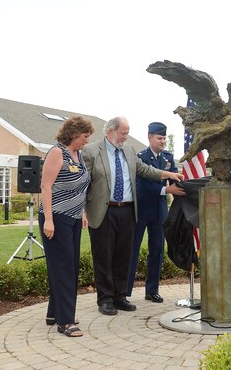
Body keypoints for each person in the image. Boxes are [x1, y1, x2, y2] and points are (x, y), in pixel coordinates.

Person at [82, 117, 184, 316]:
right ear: (110, 132)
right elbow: (84, 183)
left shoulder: (128, 151)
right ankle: (105, 299)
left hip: (127, 211)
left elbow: (145, 170)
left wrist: (168, 175)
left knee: (123, 255)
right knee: (104, 255)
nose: (126, 137)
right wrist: (82, 210)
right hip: (104, 210)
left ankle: (120, 296)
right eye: (124, 133)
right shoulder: (92, 151)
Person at [39, 116, 94, 337]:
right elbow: (46, 186)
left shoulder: (77, 155)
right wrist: (49, 220)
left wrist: (81, 212)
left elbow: (78, 189)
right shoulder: (56, 152)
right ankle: (65, 321)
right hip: (57, 218)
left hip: (72, 218)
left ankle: (54, 313)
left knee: (67, 265)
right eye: (84, 137)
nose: (86, 141)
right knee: (64, 268)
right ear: (73, 134)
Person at [127, 122, 186, 303]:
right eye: (159, 138)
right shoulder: (141, 157)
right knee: (133, 251)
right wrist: (166, 191)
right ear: (150, 137)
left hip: (160, 211)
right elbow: (142, 185)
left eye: (164, 138)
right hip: (142, 210)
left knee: (157, 251)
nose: (162, 142)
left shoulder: (168, 157)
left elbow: (174, 179)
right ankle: (124, 291)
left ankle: (152, 290)